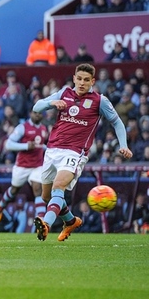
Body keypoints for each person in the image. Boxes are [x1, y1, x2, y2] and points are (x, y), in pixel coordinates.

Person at [32, 63, 133, 242]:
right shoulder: (64, 93)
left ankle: (46, 224)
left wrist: (123, 144)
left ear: (93, 81)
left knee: (58, 186)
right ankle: (70, 221)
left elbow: (117, 122)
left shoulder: (99, 100)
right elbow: (36, 107)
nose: (82, 83)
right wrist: (51, 103)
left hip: (75, 152)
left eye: (86, 80)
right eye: (79, 79)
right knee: (46, 196)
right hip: (53, 149)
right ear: (74, 78)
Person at [0, 110, 48, 224]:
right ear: (31, 114)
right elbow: (8, 144)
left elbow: (40, 145)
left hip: (37, 165)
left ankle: (41, 221)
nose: (37, 115)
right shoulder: (22, 127)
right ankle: (1, 207)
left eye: (39, 113)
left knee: (38, 189)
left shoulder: (43, 128)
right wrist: (26, 146)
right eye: (35, 113)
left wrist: (48, 149)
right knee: (14, 190)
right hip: (22, 166)